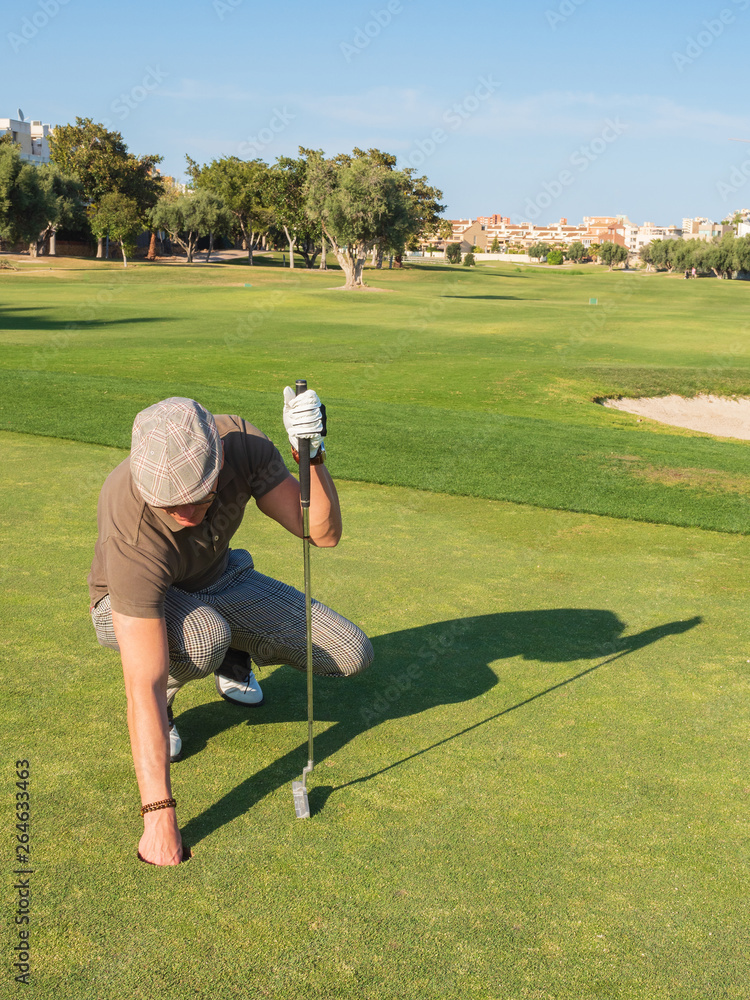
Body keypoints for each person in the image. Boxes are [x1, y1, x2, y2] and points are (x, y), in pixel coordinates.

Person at [88, 390, 373, 866]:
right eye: (167, 505)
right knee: (203, 638)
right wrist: (159, 817)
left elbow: (322, 533)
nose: (181, 514)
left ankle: (234, 654)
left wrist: (313, 452)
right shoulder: (130, 525)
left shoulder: (241, 444)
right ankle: (181, 700)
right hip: (131, 603)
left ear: (217, 468)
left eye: (193, 500)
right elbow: (143, 682)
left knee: (351, 652)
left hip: (222, 578)